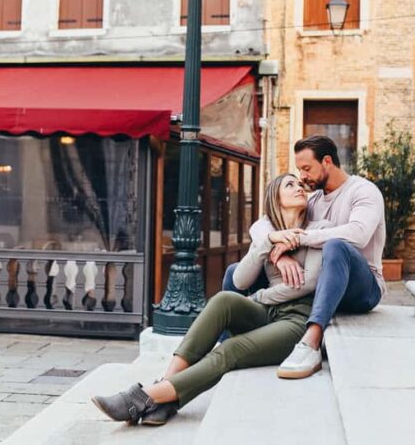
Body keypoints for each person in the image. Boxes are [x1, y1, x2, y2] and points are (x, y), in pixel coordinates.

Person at [91, 173, 329, 426]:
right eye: (289, 185)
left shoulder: (319, 230)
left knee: (230, 348)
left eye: (300, 184)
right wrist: (267, 244)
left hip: (297, 320)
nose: (299, 188)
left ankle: (143, 397)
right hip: (267, 311)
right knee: (223, 299)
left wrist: (260, 296)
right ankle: (166, 390)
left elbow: (307, 283)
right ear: (275, 198)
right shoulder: (268, 232)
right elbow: (240, 281)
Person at [223, 135, 386, 379]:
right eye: (299, 170)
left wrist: (300, 238)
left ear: (327, 162)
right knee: (234, 271)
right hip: (321, 286)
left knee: (335, 247)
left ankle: (311, 343)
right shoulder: (315, 200)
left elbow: (358, 234)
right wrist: (279, 254)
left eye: (306, 168)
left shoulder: (363, 191)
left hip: (363, 288)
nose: (302, 177)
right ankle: (224, 340)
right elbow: (262, 225)